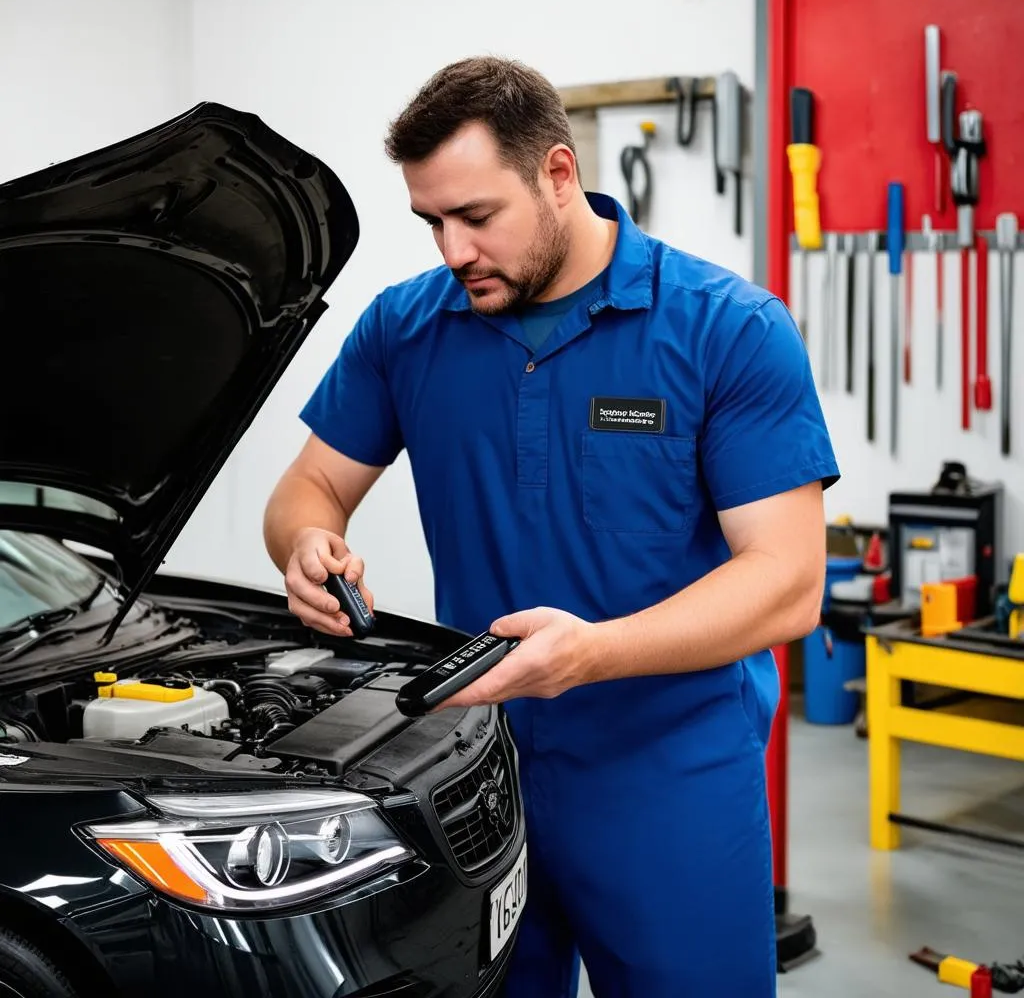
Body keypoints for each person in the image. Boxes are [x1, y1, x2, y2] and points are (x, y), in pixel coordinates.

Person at [263, 56, 839, 998]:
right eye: (431, 222)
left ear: (559, 175)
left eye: (477, 217)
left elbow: (787, 582)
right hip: (470, 774)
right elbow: (310, 486)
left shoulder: (725, 329)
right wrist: (305, 546)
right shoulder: (406, 328)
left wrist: (592, 653)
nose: (452, 251)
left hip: (669, 777)